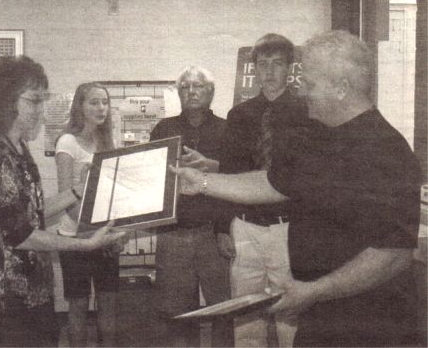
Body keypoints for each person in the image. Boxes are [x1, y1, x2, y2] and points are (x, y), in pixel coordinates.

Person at [171, 30, 421, 347]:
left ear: (342, 88)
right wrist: (203, 182)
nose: (301, 90)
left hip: (371, 324)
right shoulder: (324, 136)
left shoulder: (386, 151)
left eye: (310, 83)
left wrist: (316, 289)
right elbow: (274, 182)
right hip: (323, 314)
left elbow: (392, 255)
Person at [0, 56, 126, 347]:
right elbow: (22, 235)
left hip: (37, 293)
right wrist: (86, 244)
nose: (42, 113)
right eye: (34, 102)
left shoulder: (19, 149)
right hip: (10, 303)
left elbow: (34, 214)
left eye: (43, 101)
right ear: (7, 102)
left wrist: (77, 190)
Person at [216, 33, 307, 347]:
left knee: (290, 311)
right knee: (246, 310)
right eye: (263, 64)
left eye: (277, 63)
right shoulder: (239, 115)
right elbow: (227, 173)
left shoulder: (307, 113)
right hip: (245, 227)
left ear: (289, 68)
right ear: (254, 69)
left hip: (288, 228)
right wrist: (222, 227)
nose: (269, 71)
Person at [150, 66, 234, 347]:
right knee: (177, 314)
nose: (192, 91)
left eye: (198, 86)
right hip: (173, 235)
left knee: (224, 309)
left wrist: (225, 229)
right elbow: (151, 177)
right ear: (179, 93)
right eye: (185, 87)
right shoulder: (164, 129)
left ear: (210, 92)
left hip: (214, 234)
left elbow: (237, 183)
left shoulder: (227, 129)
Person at [55, 82, 128, 347]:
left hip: (103, 237)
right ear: (80, 107)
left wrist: (119, 230)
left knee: (108, 304)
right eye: (94, 102)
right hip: (75, 238)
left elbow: (116, 195)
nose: (101, 108)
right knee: (78, 307)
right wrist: (95, 231)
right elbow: (66, 200)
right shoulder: (67, 142)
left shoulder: (109, 141)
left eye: (105, 102)